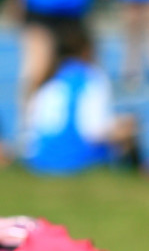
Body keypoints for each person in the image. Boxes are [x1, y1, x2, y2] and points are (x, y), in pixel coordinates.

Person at [22, 20, 142, 174]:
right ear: (87, 50)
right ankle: (142, 171)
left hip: (39, 159)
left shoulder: (48, 78)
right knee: (131, 125)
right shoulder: (92, 77)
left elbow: (30, 132)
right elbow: (95, 130)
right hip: (77, 160)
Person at [5, 0, 94, 140]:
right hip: (42, 8)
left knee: (85, 72)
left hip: (74, 10)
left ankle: (82, 132)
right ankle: (26, 132)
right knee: (37, 72)